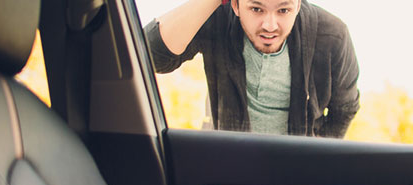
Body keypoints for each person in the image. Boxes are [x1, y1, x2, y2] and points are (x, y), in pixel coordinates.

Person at [144, 0, 360, 138]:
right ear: (235, 5)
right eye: (256, 9)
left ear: (298, 5)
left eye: (284, 10)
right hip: (228, 168)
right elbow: (151, 57)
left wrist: (315, 154)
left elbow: (345, 108)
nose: (270, 25)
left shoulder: (333, 35)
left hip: (296, 173)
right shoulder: (217, 17)